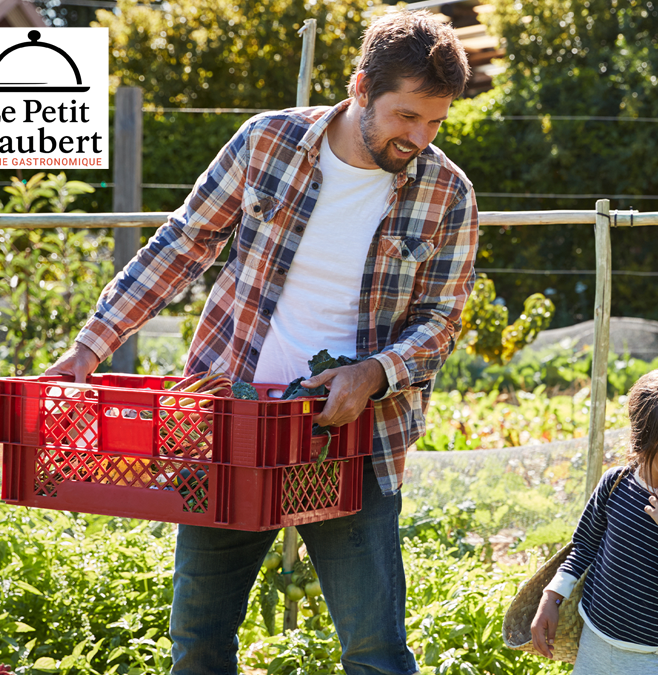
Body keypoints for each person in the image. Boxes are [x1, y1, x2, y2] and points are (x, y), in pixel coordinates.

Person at [43, 11, 476, 675]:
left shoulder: (447, 193)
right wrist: (91, 346)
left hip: (350, 439)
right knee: (199, 644)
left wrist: (374, 373)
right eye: (406, 115)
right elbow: (180, 247)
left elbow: (441, 318)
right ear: (361, 87)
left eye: (436, 122)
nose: (420, 136)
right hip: (231, 426)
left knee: (377, 653)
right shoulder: (267, 143)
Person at [529, 364, 658, 673]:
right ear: (646, 442)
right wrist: (552, 596)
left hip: (657, 658)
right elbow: (584, 546)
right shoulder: (616, 483)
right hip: (595, 640)